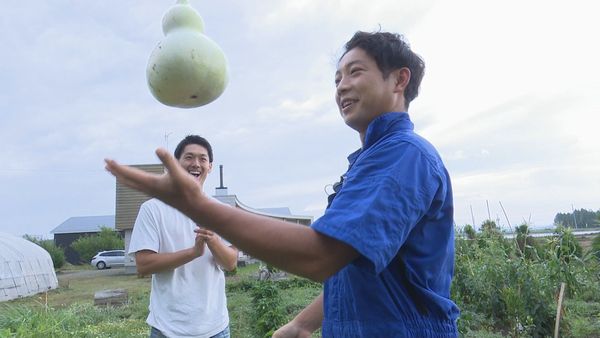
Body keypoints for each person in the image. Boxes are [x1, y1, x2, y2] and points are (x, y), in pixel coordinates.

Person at [107, 31, 459, 337]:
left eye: (355, 72)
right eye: (336, 78)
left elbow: (322, 256)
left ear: (399, 81)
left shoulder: (404, 156)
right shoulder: (372, 162)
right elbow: (353, 266)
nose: (342, 86)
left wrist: (197, 206)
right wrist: (303, 323)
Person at [128, 135, 238, 338]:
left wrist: (213, 241)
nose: (196, 164)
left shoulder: (222, 210)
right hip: (169, 330)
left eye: (203, 159)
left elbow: (231, 263)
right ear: (175, 165)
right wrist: (193, 253)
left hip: (216, 328)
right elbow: (143, 265)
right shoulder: (152, 209)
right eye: (189, 157)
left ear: (210, 166)